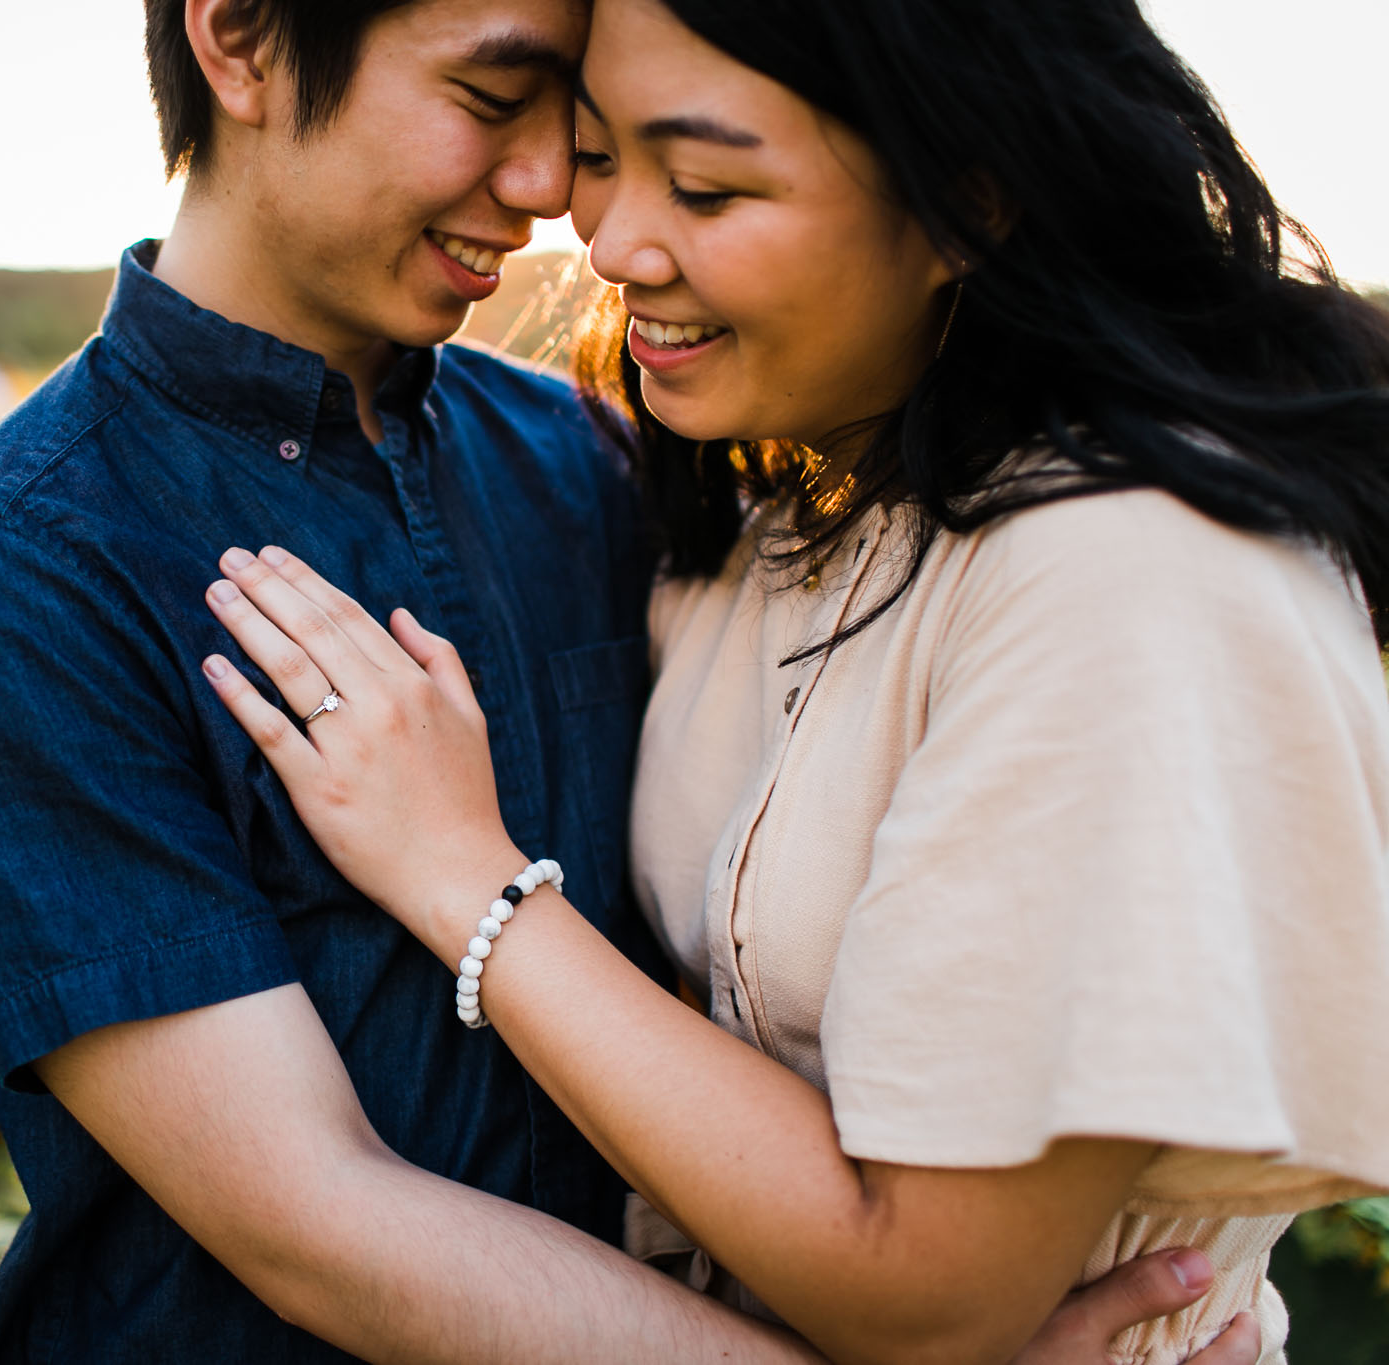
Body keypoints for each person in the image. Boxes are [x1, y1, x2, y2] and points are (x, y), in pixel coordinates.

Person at [0, 0, 1263, 1360]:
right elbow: (317, 1222)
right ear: (240, 37)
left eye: (574, 118)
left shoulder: (600, 461)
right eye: (487, 97)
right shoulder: (9, 565)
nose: (544, 189)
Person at [195, 0, 1389, 1362]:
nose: (610, 240)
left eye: (705, 186)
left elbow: (931, 1294)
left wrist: (468, 880)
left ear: (968, 202)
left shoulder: (1126, 570)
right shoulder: (773, 497)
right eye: (600, 155)